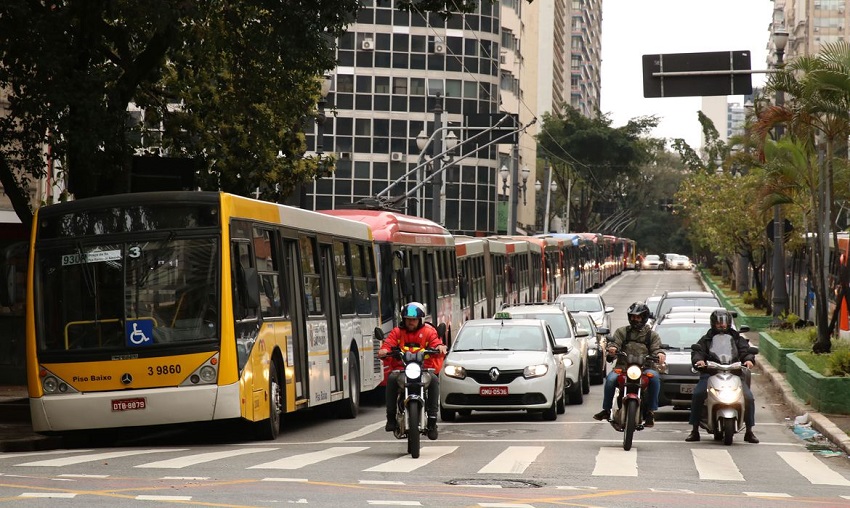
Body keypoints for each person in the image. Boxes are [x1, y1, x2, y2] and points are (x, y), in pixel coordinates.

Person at [685, 309, 758, 443]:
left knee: (748, 397)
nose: (722, 326)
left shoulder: (737, 338)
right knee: (698, 394)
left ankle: (749, 431)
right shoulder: (706, 339)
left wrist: (748, 359)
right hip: (711, 373)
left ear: (729, 323)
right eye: (719, 323)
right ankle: (694, 430)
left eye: (724, 323)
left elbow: (745, 351)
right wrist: (699, 361)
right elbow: (698, 352)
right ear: (713, 323)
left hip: (734, 373)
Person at [378, 302, 447, 440]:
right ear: (403, 319)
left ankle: (432, 421)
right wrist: (384, 350)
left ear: (420, 320)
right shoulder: (397, 332)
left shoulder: (428, 331)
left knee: (434, 379)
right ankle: (390, 418)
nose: (411, 322)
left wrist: (440, 347)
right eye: (408, 319)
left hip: (424, 369)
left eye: (414, 319)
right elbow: (388, 344)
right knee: (391, 378)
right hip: (402, 370)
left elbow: (436, 341)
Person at [593, 302, 666, 427]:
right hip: (623, 368)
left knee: (655, 379)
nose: (635, 319)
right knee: (610, 380)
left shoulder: (651, 335)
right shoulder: (622, 331)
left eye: (637, 317)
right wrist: (612, 349)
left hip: (645, 368)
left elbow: (656, 348)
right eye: (632, 317)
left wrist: (659, 354)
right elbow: (615, 343)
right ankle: (606, 410)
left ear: (644, 318)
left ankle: (650, 412)